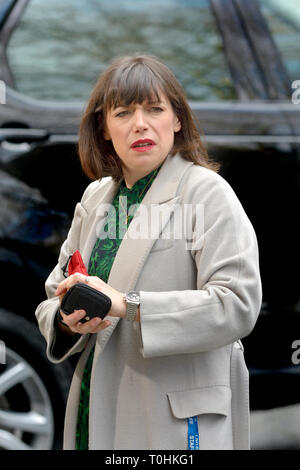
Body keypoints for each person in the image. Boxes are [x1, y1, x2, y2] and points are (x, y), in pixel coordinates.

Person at [35, 54, 262, 450]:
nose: (140, 123)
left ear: (177, 120)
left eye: (155, 109)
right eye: (123, 112)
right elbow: (52, 296)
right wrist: (70, 320)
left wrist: (128, 305)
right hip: (97, 409)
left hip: (175, 422)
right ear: (104, 129)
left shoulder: (207, 193)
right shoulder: (95, 198)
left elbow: (237, 304)